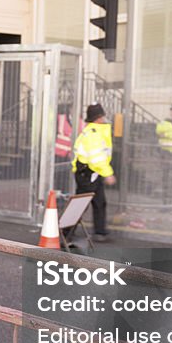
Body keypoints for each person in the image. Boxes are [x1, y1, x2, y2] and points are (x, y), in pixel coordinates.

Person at [70, 103, 115, 242]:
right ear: (99, 117)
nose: (104, 118)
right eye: (102, 115)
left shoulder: (95, 131)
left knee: (99, 202)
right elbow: (97, 158)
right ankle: (65, 232)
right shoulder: (94, 134)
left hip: (91, 172)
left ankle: (100, 232)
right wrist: (108, 174)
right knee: (80, 204)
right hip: (88, 173)